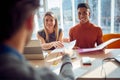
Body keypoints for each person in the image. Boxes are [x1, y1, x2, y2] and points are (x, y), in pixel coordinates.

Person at [0, 0, 75, 80]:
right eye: (46, 20)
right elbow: (68, 78)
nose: (49, 22)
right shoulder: (34, 75)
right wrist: (66, 56)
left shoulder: (60, 31)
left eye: (51, 20)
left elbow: (59, 44)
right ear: (30, 21)